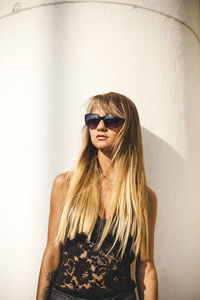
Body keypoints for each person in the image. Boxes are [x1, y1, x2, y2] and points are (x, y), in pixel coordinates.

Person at [36, 92, 158, 300]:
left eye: (111, 120)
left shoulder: (143, 197)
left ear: (128, 128)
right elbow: (52, 252)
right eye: (93, 120)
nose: (100, 126)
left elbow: (145, 265)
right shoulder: (65, 185)